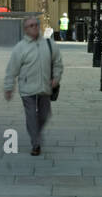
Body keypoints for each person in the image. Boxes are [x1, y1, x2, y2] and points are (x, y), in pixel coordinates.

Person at [4, 15, 63, 156]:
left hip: (45, 87)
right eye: (31, 25)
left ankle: (35, 131)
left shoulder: (49, 44)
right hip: (27, 89)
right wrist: (8, 87)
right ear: (25, 29)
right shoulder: (20, 48)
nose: (35, 27)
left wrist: (56, 78)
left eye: (36, 24)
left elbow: (58, 63)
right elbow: (12, 69)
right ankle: (36, 143)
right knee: (31, 116)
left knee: (44, 115)